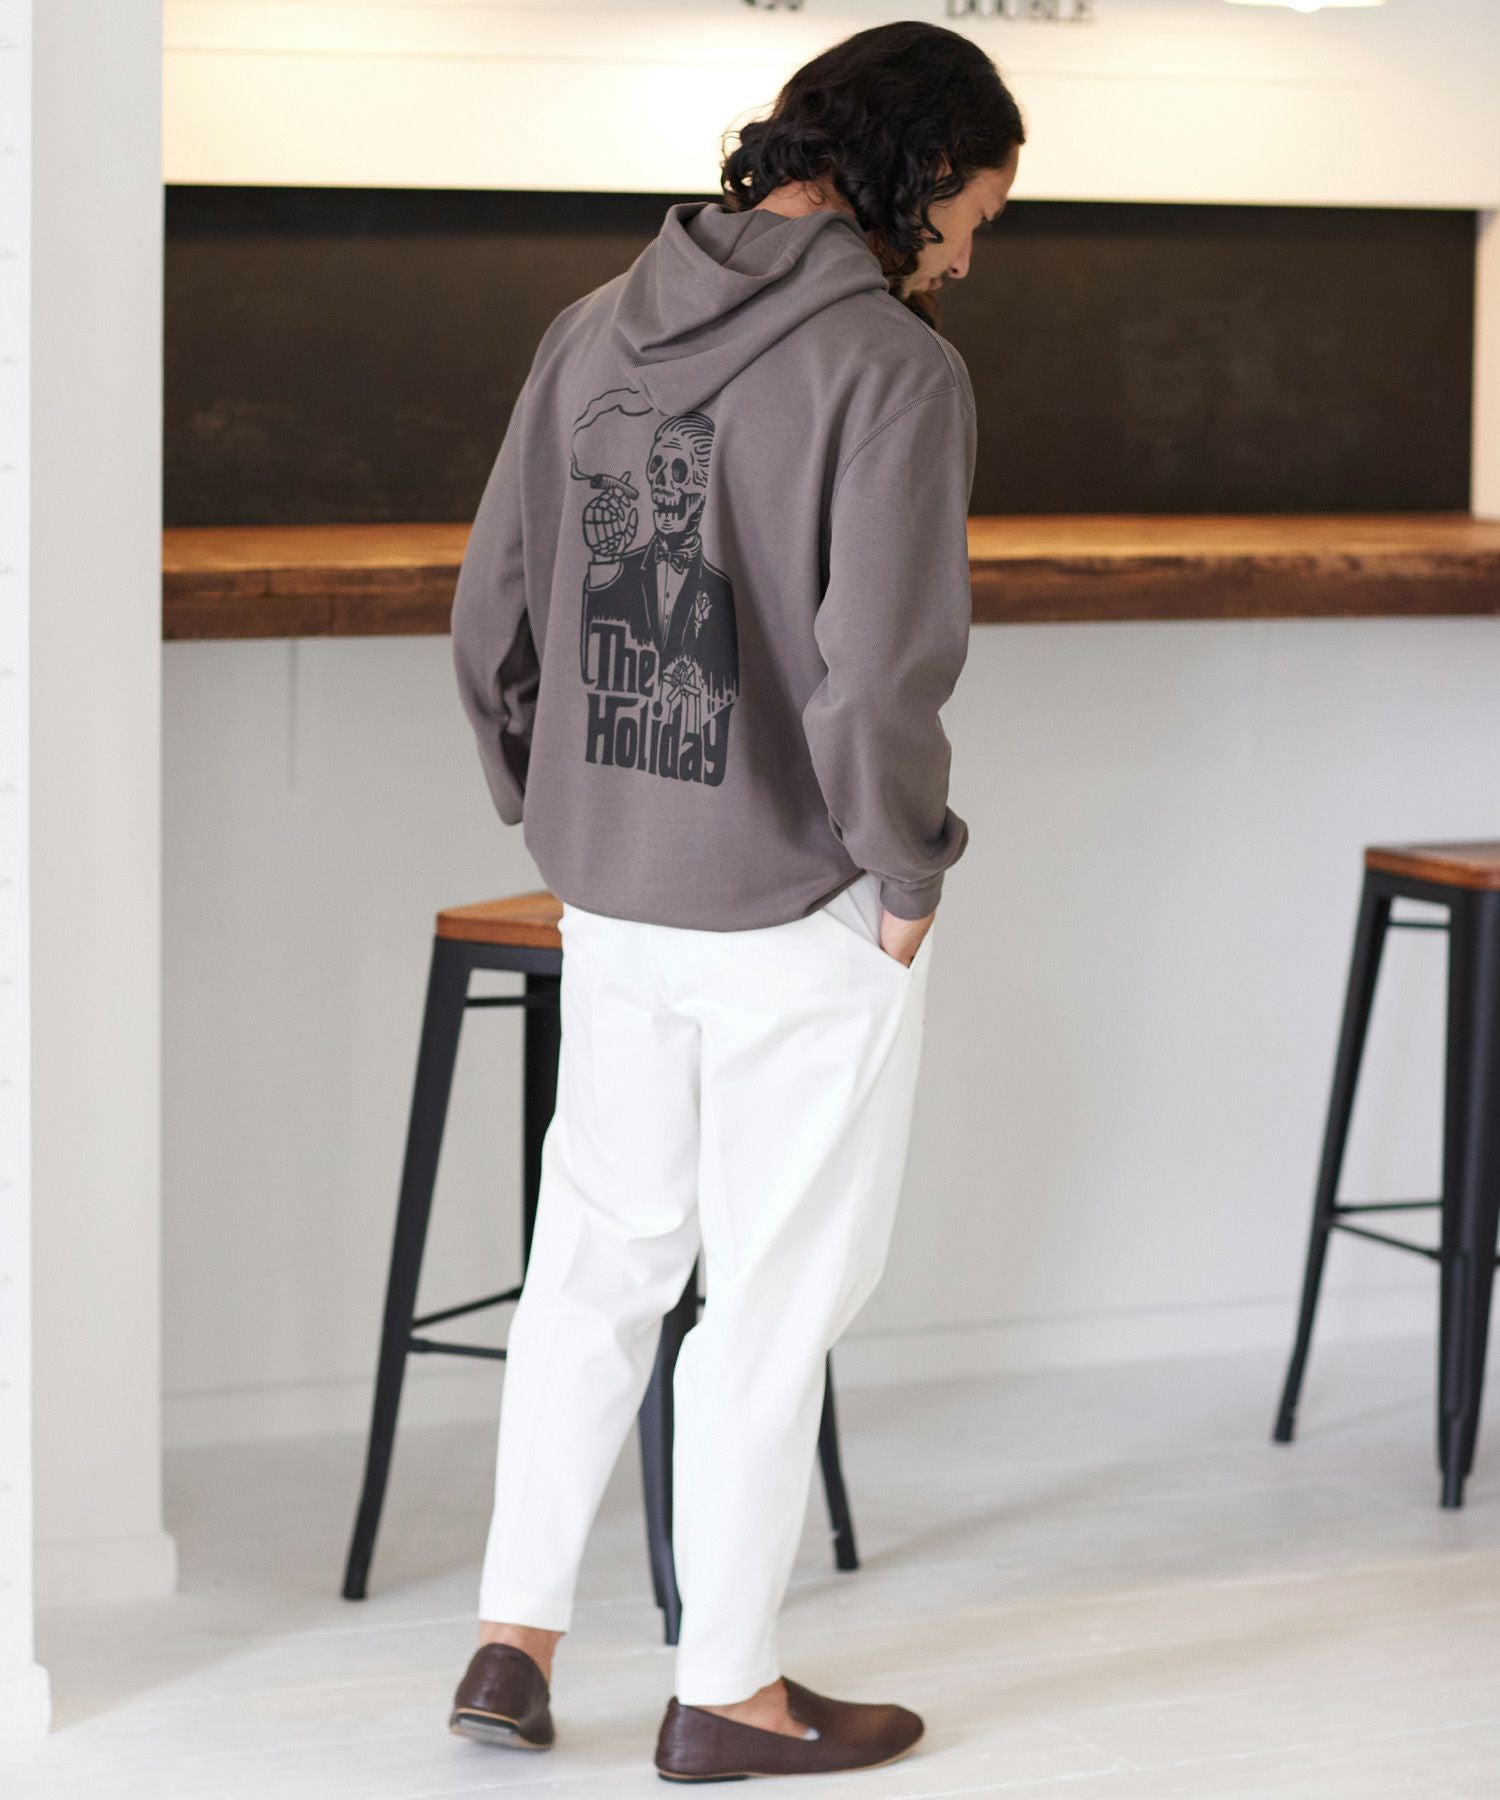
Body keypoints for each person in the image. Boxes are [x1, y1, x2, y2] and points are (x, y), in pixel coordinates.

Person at [446, 18, 1023, 1783]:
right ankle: (730, 1692)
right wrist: (907, 872)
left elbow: (492, 617)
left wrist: (565, 808)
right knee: (770, 1303)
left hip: (615, 889)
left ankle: (513, 1643)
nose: (967, 257)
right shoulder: (892, 368)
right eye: (978, 217)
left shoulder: (586, 326)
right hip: (795, 903)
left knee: (595, 1264)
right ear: (921, 171)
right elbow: (877, 678)